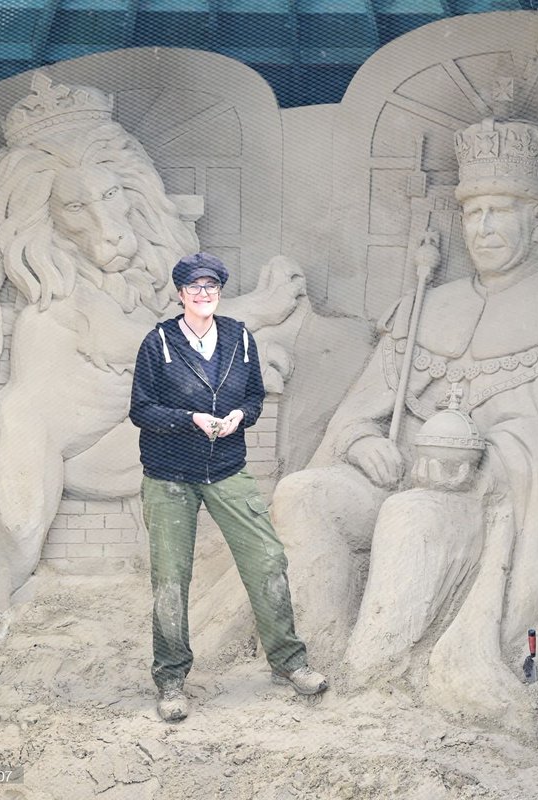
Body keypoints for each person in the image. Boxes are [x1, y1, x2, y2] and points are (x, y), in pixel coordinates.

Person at [271, 118, 538, 714]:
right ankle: (317, 656)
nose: (482, 227)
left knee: (412, 514)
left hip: (488, 507)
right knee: (303, 495)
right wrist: (361, 441)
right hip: (393, 478)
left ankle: (375, 674)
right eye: (472, 213)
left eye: (499, 211)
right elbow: (357, 414)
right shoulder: (425, 305)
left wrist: (487, 461)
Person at [129, 251, 328, 722]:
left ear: (219, 292)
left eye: (211, 286)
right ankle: (171, 678)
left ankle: (289, 662)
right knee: (171, 579)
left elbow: (254, 395)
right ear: (181, 294)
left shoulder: (239, 338)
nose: (203, 294)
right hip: (169, 476)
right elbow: (141, 410)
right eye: (194, 287)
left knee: (267, 559)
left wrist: (241, 415)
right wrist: (190, 419)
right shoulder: (158, 343)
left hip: (226, 469)